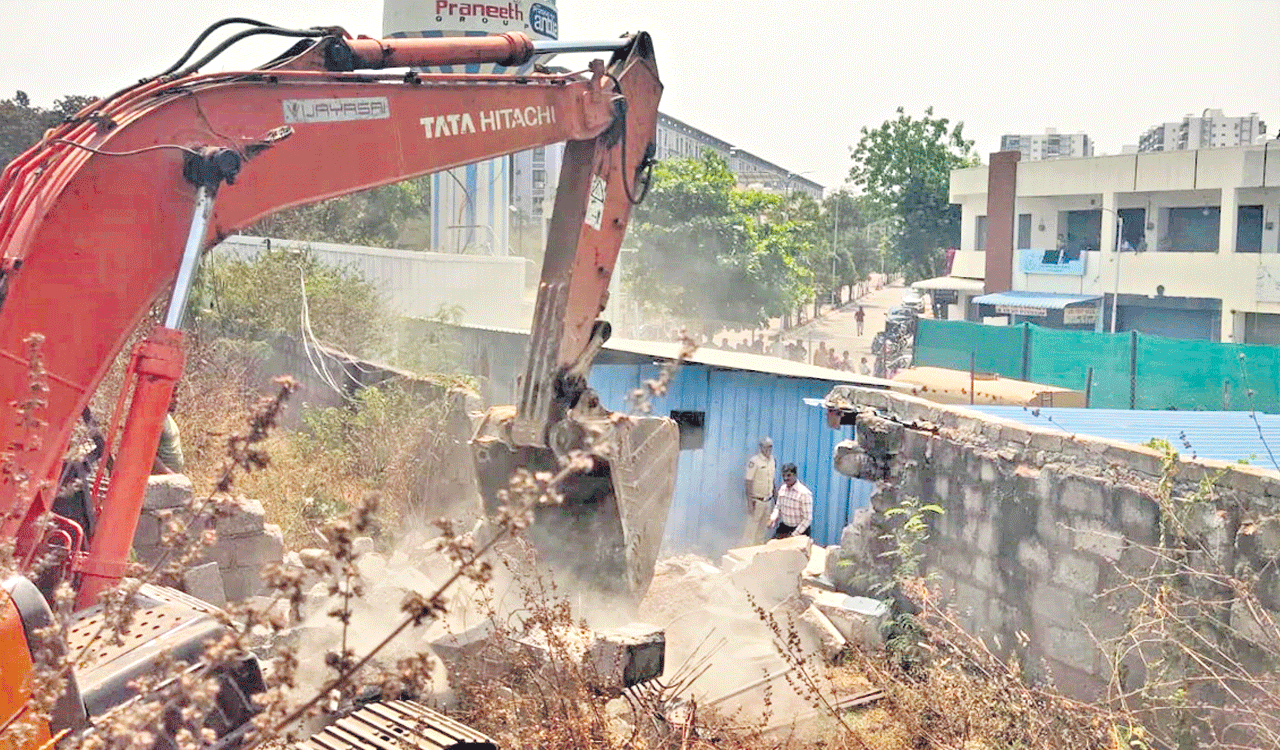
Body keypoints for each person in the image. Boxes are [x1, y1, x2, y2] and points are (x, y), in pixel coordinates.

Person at [741, 437, 776, 546]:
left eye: (770, 447)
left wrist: (776, 499)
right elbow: (748, 482)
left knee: (762, 532)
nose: (768, 449)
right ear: (761, 447)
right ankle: (745, 554)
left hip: (768, 501)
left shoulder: (772, 461)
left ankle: (757, 554)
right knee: (750, 532)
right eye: (766, 447)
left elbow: (772, 480)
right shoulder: (754, 461)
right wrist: (750, 503)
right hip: (757, 501)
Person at [769, 463, 812, 539]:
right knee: (773, 547)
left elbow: (807, 519)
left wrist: (793, 535)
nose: (785, 478)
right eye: (783, 476)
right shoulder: (782, 489)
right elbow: (778, 507)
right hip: (784, 528)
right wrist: (773, 518)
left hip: (800, 530)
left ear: (795, 475)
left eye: (788, 475)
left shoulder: (804, 493)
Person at [152, 399, 185, 475]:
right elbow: (148, 454)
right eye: (173, 396)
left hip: (173, 475)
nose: (177, 401)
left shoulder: (167, 418)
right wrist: (168, 473)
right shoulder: (156, 420)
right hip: (162, 478)